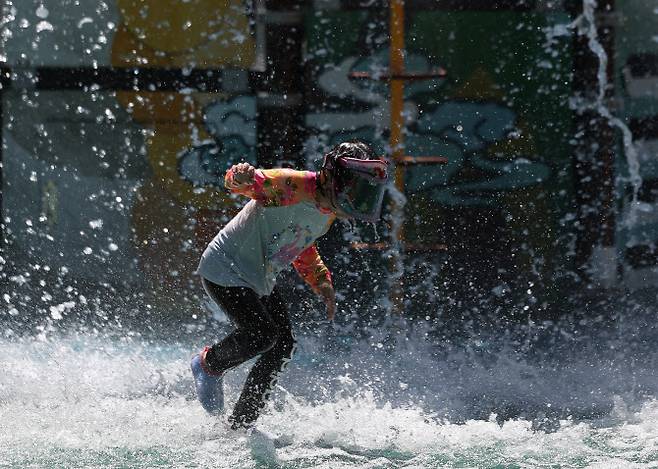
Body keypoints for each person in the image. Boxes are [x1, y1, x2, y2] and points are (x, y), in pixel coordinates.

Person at [190, 140, 389, 429]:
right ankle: (208, 365)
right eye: (355, 188)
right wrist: (240, 175)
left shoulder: (328, 212)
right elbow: (246, 183)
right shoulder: (294, 185)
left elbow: (301, 244)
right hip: (225, 268)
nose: (357, 199)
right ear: (335, 178)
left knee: (282, 345)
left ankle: (241, 424)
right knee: (262, 334)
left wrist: (321, 281)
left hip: (258, 277)